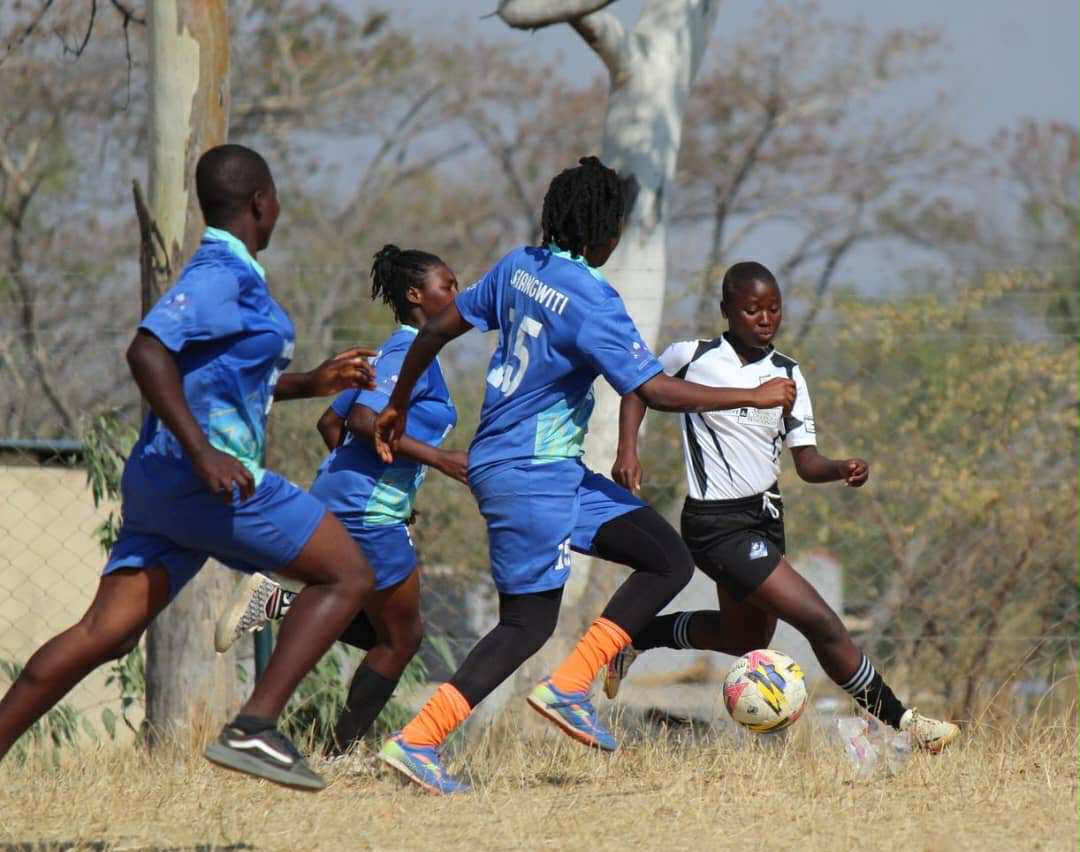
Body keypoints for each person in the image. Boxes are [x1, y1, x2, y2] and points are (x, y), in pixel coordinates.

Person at [370, 157, 800, 794]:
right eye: (618, 225)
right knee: (526, 624)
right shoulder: (595, 300)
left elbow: (436, 327)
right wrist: (753, 397)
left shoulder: (518, 266)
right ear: (603, 233)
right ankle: (423, 738)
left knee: (665, 558)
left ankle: (568, 684)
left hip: (541, 470)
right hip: (531, 475)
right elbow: (652, 387)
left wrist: (396, 400)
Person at [0, 144, 379, 791]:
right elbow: (147, 352)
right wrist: (204, 453)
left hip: (165, 487)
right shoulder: (220, 273)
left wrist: (311, 381)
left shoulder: (236, 276)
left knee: (104, 633)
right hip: (201, 477)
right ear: (261, 201)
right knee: (347, 574)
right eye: (277, 196)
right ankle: (255, 726)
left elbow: (224, 382)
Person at [603, 261, 960, 752]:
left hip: (766, 519)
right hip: (716, 524)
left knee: (739, 638)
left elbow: (805, 461)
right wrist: (628, 448)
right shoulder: (692, 355)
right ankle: (904, 722)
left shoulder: (788, 373)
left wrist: (838, 467)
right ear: (727, 310)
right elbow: (640, 388)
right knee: (820, 621)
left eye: (773, 309)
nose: (764, 318)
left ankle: (638, 634)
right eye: (751, 309)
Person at [215, 245, 467, 753]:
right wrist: (437, 460)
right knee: (401, 639)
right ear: (416, 295)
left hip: (352, 501)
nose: (458, 295)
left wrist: (377, 481)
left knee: (389, 633)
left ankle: (295, 600)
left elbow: (328, 421)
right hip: (368, 513)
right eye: (449, 285)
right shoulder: (404, 355)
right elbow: (359, 421)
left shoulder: (395, 353)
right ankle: (340, 753)